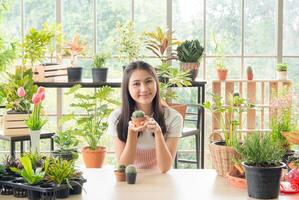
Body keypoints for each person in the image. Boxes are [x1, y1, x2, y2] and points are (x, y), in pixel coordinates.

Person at [107, 61, 183, 173]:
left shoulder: (173, 117)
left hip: (161, 181)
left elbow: (165, 168)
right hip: (130, 181)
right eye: (136, 84)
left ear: (156, 83)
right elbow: (124, 166)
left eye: (148, 81)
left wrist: (158, 132)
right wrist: (132, 132)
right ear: (127, 88)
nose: (144, 89)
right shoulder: (117, 118)